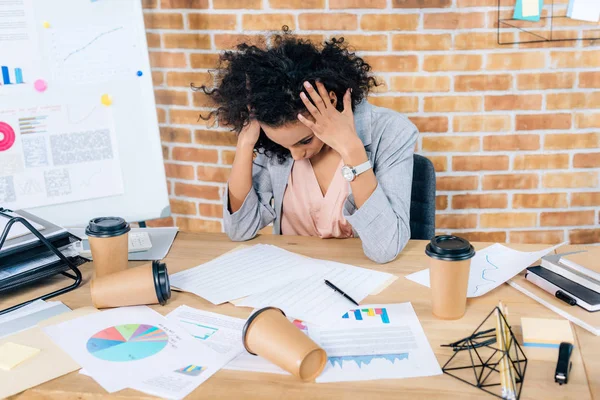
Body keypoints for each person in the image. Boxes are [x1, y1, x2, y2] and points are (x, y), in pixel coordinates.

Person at [199, 30, 418, 264]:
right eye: (283, 144)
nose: (295, 155)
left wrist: (352, 150)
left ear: (330, 102)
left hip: (360, 278)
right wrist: (245, 144)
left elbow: (385, 248)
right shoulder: (276, 140)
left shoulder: (392, 132)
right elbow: (240, 229)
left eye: (304, 141)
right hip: (291, 279)